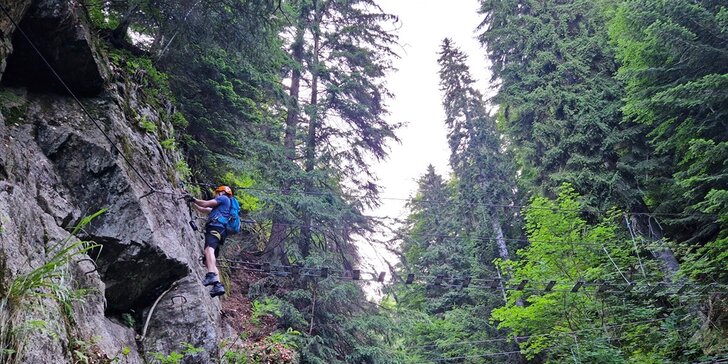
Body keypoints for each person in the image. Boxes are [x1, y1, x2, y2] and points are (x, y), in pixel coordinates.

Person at [186, 185, 233, 298]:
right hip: (219, 231)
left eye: (216, 193)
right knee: (208, 261)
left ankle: (211, 274)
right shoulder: (220, 209)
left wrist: (194, 199)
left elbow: (206, 203)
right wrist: (192, 203)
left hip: (215, 228)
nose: (215, 195)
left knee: (209, 250)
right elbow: (203, 209)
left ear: (220, 192)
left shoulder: (224, 198)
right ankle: (217, 285)